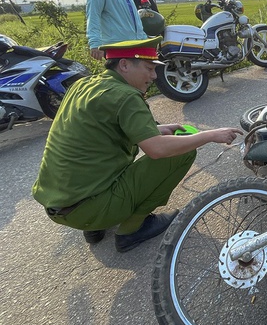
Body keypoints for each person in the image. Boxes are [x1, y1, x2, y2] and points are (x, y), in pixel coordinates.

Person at [32, 37, 243, 252]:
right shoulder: (126, 96)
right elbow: (157, 149)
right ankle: (133, 229)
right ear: (124, 65)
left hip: (57, 204)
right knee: (182, 152)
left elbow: (99, 132)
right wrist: (210, 135)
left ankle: (95, 228)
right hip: (89, 209)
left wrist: (156, 130)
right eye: (149, 68)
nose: (154, 76)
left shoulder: (84, 84)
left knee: (99, 156)